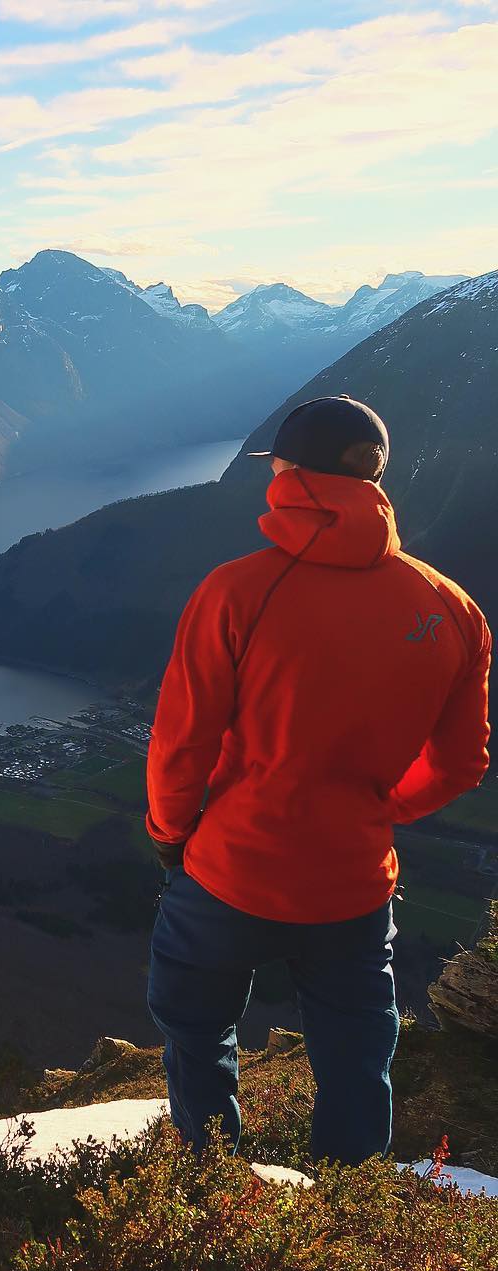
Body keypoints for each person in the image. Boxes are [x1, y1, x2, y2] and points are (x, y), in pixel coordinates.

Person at [144, 394, 491, 1165]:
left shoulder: (236, 591)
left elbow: (181, 740)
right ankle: (344, 1222)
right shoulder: (451, 608)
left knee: (197, 1034)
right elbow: (464, 761)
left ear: (291, 476)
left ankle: (208, 1194)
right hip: (353, 883)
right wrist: (372, 809)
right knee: (357, 1063)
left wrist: (171, 835)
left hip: (229, 870)